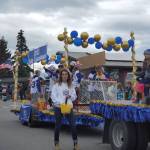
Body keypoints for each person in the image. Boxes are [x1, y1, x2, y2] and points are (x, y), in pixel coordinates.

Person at [51, 68, 79, 150]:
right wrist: (59, 103)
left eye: (66, 74)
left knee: (73, 125)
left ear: (68, 76)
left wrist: (71, 96)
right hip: (59, 108)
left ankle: (76, 144)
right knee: (58, 126)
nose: (64, 76)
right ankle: (56, 144)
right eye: (63, 74)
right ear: (60, 75)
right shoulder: (56, 85)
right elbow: (53, 96)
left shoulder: (71, 85)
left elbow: (74, 96)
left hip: (68, 107)